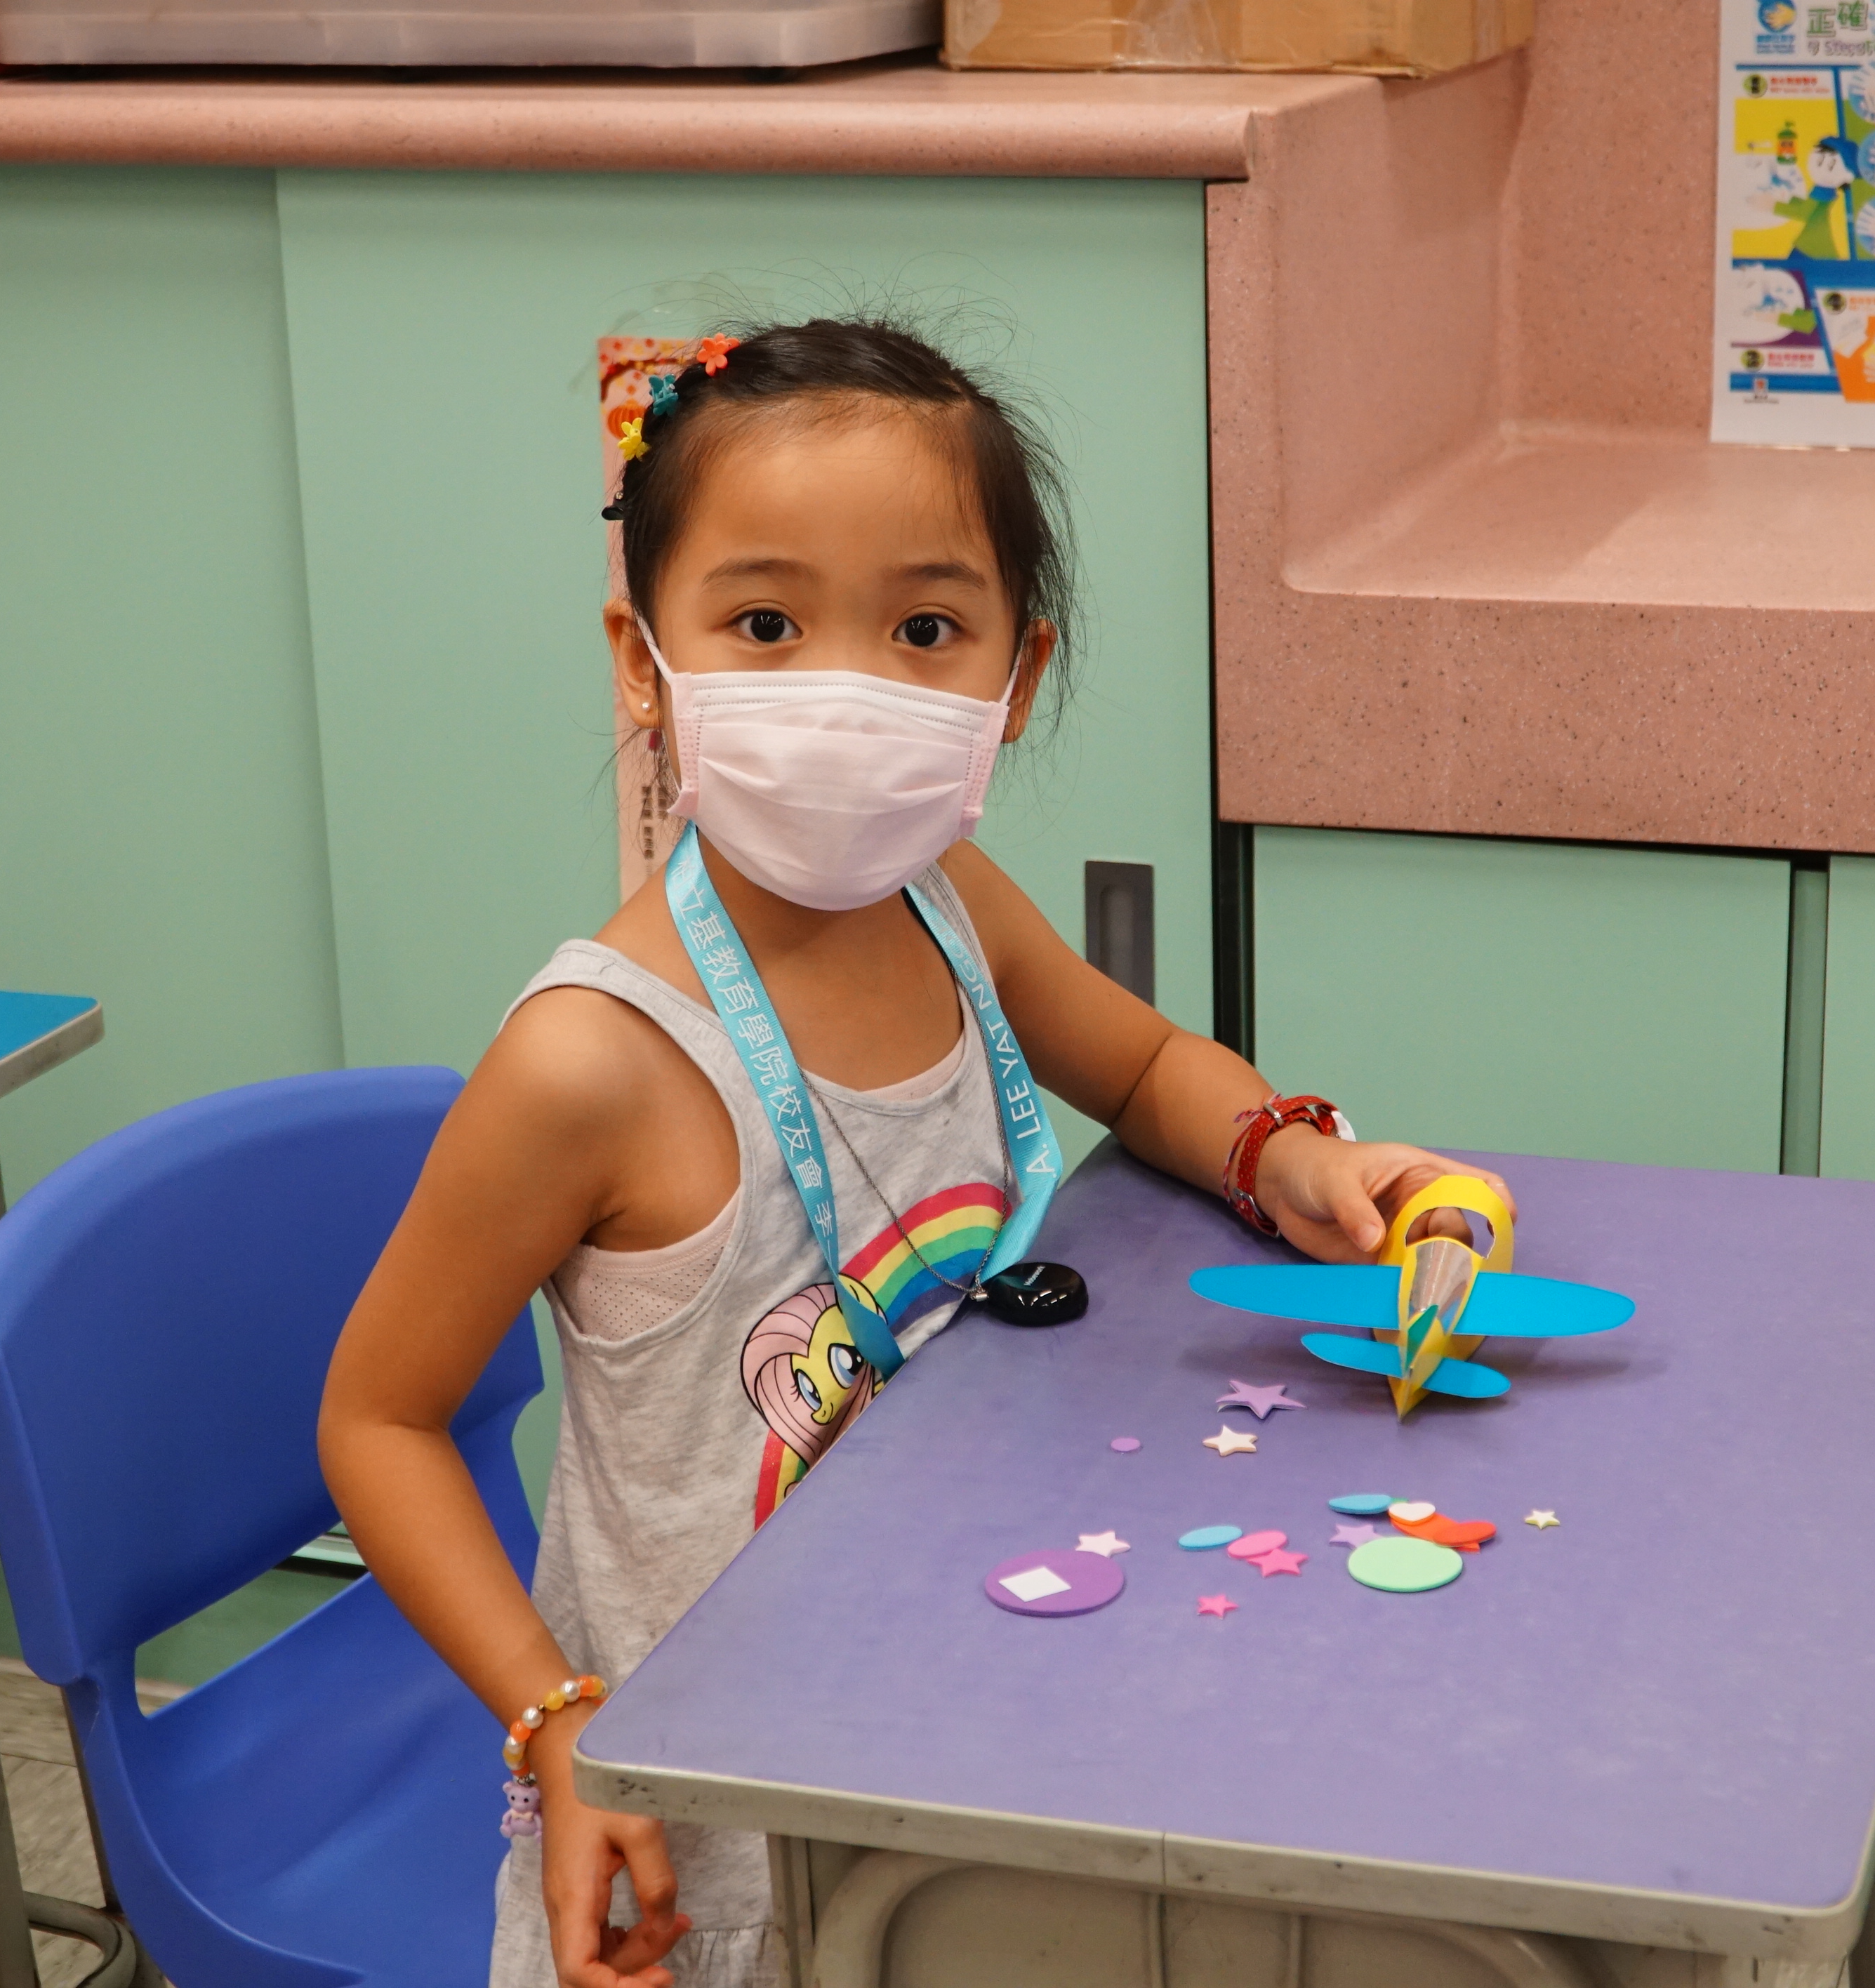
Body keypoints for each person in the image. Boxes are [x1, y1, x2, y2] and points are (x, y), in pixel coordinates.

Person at [316, 317, 1512, 1988]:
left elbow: (1142, 1064)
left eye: (923, 628)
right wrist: (554, 1718)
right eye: (763, 623)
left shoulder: (950, 909)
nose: (844, 689)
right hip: (709, 1834)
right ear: (642, 659)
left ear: (1015, 676)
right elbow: (378, 1420)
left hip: (958, 1720)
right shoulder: (591, 1061)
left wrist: (1280, 1151)